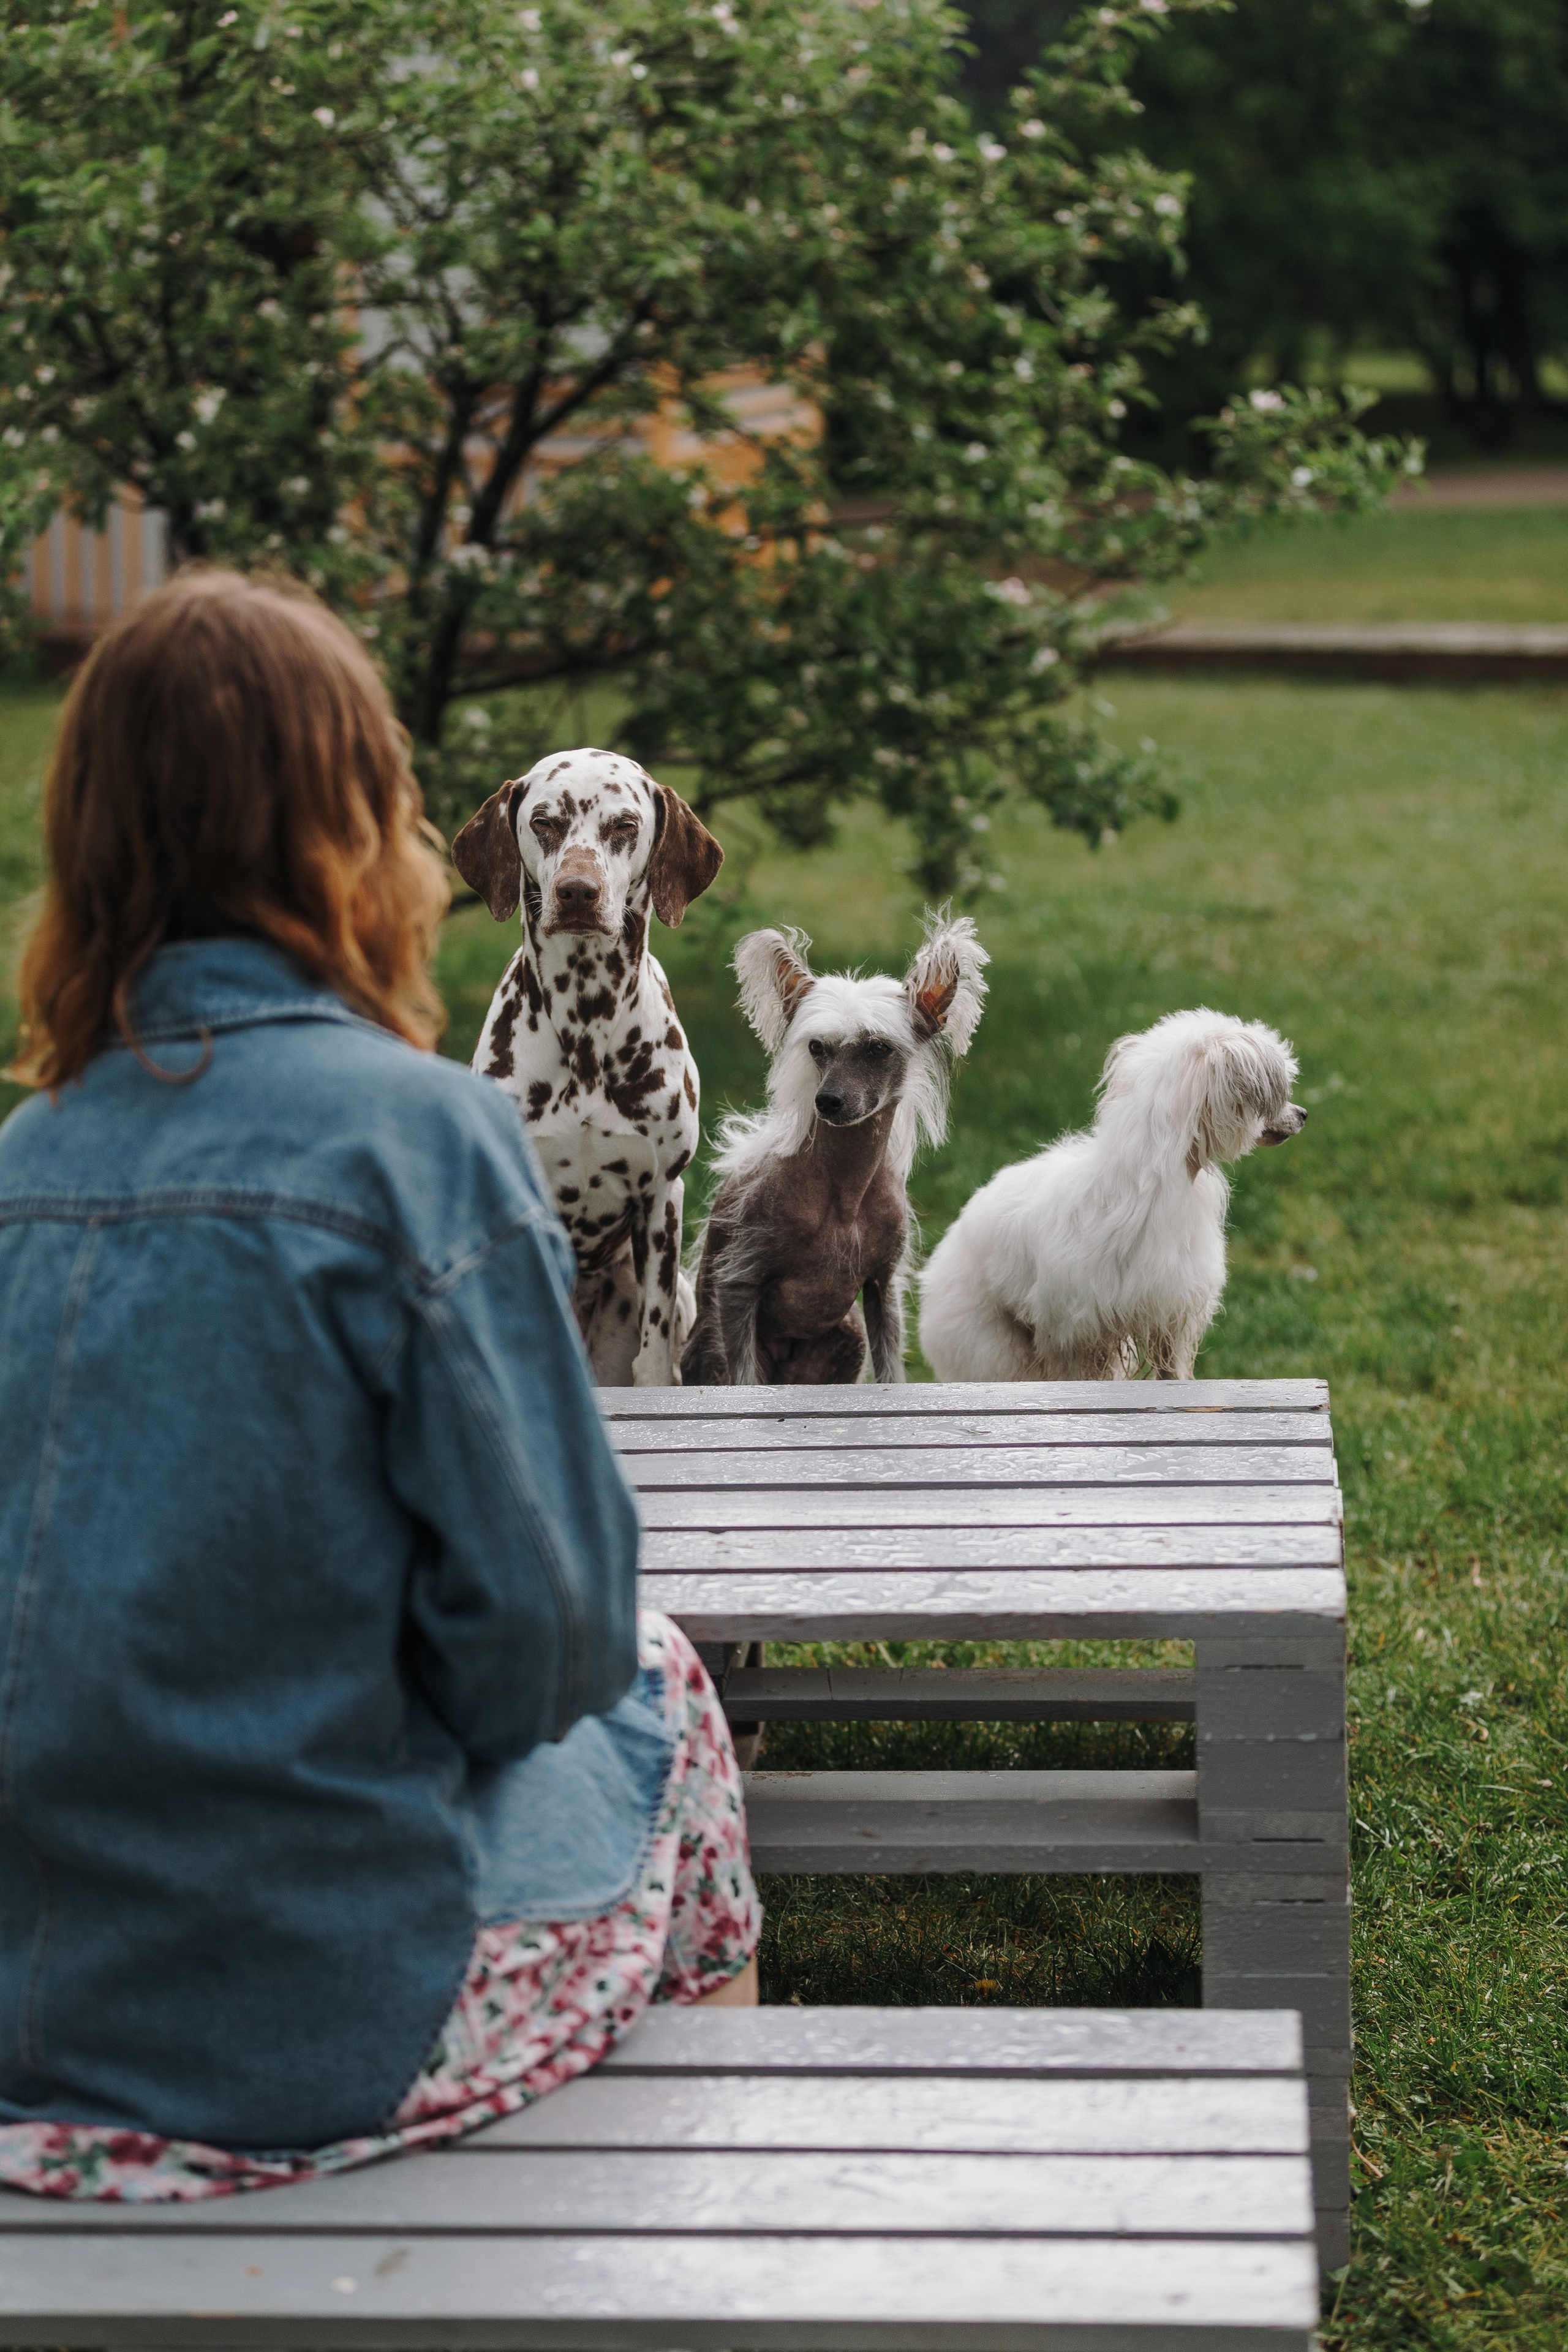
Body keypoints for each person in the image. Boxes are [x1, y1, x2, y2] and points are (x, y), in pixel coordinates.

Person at [0, 569, 759, 2203]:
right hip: (317, 2030)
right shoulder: (427, 1143)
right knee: (669, 1692)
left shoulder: (18, 1169)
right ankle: (691, 2233)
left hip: (33, 1998)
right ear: (363, 831)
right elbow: (550, 1641)